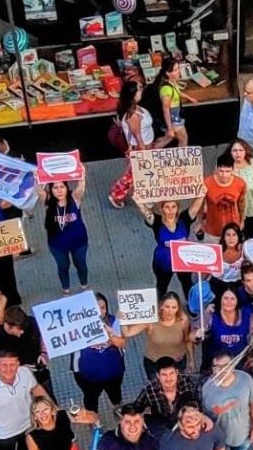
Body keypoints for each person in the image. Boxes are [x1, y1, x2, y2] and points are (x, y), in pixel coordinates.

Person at [71, 292, 126, 413]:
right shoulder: (77, 326)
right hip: (88, 377)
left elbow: (122, 344)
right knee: (91, 399)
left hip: (114, 373)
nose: (101, 311)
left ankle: (118, 409)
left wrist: (111, 334)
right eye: (95, 308)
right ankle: (93, 419)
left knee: (116, 395)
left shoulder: (113, 321)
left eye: (103, 307)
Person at [0, 305, 53, 397]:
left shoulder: (31, 323)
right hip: (18, 383)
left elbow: (43, 337)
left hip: (40, 373)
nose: (23, 332)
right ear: (8, 326)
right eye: (19, 329)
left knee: (50, 400)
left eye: (24, 327)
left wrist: (44, 353)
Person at [133, 197, 194, 300]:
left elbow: (196, 206)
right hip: (162, 263)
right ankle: (160, 307)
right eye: (167, 207)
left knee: (187, 284)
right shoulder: (157, 222)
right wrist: (137, 199)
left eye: (173, 206)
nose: (170, 210)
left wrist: (201, 193)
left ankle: (192, 306)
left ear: (178, 208)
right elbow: (146, 212)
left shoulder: (185, 219)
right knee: (162, 286)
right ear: (162, 209)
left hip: (183, 262)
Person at [122, 292, 195, 378]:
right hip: (154, 364)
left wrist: (192, 360)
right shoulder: (151, 320)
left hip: (177, 364)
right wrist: (123, 320)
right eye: (167, 307)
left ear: (178, 308)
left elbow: (187, 340)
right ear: (161, 306)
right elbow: (128, 332)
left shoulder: (183, 321)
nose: (170, 311)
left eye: (174, 307)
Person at [109, 80, 156, 208]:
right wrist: (145, 155)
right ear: (133, 95)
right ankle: (116, 195)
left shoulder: (135, 109)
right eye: (139, 89)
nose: (141, 91)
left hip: (143, 147)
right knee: (134, 175)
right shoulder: (133, 116)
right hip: (140, 149)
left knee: (136, 174)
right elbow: (138, 138)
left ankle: (144, 195)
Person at [135, 355, 204, 439]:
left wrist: (203, 416)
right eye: (164, 375)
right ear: (158, 375)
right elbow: (136, 408)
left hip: (185, 422)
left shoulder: (189, 384)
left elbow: (199, 403)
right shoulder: (149, 390)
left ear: (177, 372)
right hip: (161, 425)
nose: (168, 378)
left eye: (171, 373)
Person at [43, 175, 90, 295]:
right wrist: (37, 178)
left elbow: (81, 185)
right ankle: (66, 289)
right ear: (51, 190)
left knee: (81, 263)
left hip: (79, 242)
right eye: (55, 188)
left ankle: (84, 285)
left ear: (66, 187)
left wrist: (81, 173)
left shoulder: (74, 198)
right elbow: (38, 189)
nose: (59, 190)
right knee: (63, 266)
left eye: (61, 187)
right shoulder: (48, 201)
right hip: (57, 245)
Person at [191, 153, 247, 243]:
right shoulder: (207, 183)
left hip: (233, 229)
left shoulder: (240, 183)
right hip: (212, 230)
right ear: (217, 168)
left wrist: (242, 220)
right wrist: (200, 222)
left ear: (233, 170)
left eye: (227, 171)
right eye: (221, 171)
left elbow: (242, 203)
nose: (224, 175)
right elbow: (200, 205)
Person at [201, 289, 250, 374]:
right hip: (216, 363)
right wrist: (198, 335)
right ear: (220, 300)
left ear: (237, 301)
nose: (229, 302)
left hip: (238, 363)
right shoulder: (211, 315)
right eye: (226, 298)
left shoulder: (246, 314)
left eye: (232, 299)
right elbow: (194, 335)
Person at [228, 138, 253, 238]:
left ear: (246, 151)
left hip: (250, 205)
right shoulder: (225, 165)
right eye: (235, 151)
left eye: (241, 150)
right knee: (232, 231)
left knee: (250, 229)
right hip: (231, 207)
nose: (238, 154)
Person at [155, 57, 197, 147]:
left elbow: (178, 91)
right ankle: (182, 158)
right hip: (174, 121)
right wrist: (170, 128)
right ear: (168, 73)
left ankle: (152, 150)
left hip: (175, 118)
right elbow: (165, 109)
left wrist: (189, 98)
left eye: (178, 68)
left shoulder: (172, 82)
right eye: (175, 70)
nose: (179, 71)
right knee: (184, 139)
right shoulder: (166, 89)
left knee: (167, 139)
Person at [213, 223, 246, 298]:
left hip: (239, 282)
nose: (231, 238)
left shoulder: (244, 249)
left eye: (234, 235)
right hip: (220, 283)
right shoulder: (217, 251)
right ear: (224, 237)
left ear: (238, 237)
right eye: (228, 235)